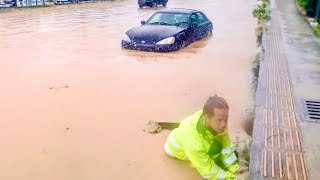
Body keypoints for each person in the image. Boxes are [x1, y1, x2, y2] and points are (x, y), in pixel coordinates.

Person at [164, 95, 240, 180]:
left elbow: (226, 146)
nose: (224, 125)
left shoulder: (213, 119)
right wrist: (233, 178)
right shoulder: (194, 142)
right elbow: (209, 172)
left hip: (182, 136)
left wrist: (235, 169)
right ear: (207, 118)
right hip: (175, 149)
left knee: (218, 150)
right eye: (219, 120)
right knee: (211, 156)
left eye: (225, 119)